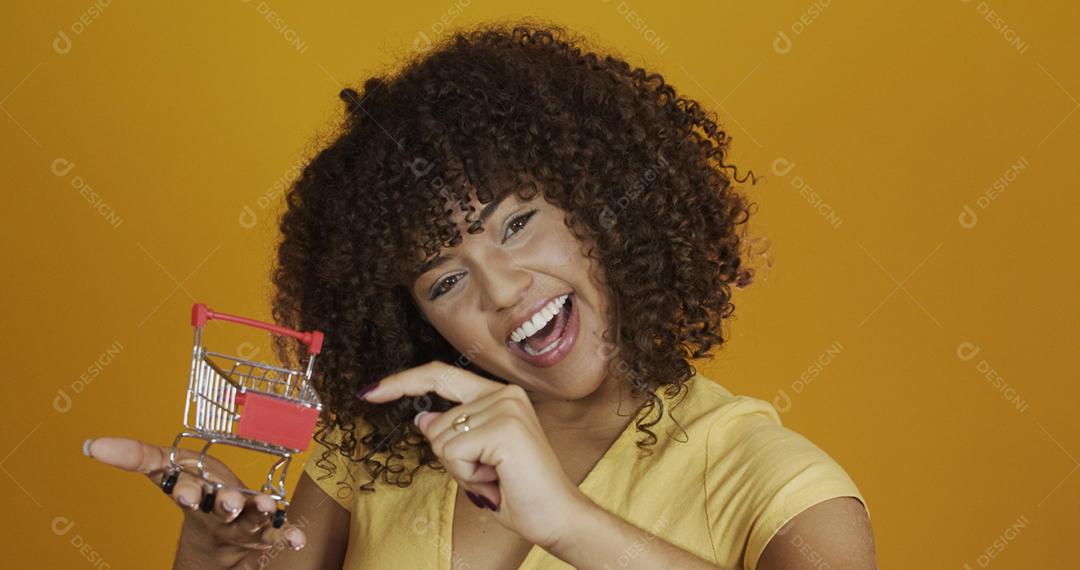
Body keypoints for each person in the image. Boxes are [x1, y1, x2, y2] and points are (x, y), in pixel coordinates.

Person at [83, 19, 877, 569]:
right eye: (446, 279)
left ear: (599, 204)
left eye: (518, 223)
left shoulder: (764, 476)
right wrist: (212, 554)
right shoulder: (375, 451)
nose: (502, 291)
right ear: (416, 318)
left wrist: (567, 523)